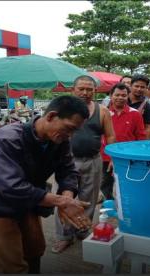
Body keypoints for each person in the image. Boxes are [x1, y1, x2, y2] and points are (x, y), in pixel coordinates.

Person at [0, 95, 93, 274]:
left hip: (29, 201)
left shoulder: (60, 139)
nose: (70, 135)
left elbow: (68, 171)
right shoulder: (8, 139)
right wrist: (61, 202)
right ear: (51, 116)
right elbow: (12, 187)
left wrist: (66, 198)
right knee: (12, 265)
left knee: (34, 251)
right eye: (69, 128)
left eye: (75, 131)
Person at [52, 75, 116, 253]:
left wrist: (111, 158)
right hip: (66, 162)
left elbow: (110, 135)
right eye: (81, 89)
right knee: (65, 199)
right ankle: (64, 236)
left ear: (95, 91)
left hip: (92, 161)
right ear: (73, 90)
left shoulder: (102, 110)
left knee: (88, 199)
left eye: (90, 89)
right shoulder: (61, 108)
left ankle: (82, 229)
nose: (86, 92)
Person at [100, 83, 146, 200]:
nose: (120, 98)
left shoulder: (135, 114)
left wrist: (139, 155)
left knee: (126, 185)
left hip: (127, 158)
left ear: (128, 96)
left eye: (124, 95)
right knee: (105, 185)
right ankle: (108, 210)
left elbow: (140, 136)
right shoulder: (103, 113)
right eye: (117, 95)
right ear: (111, 96)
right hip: (105, 157)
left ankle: (125, 210)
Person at [128, 74, 150, 139]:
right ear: (131, 86)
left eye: (142, 87)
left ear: (146, 88)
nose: (139, 89)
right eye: (136, 86)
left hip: (135, 141)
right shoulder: (120, 101)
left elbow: (148, 127)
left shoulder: (147, 107)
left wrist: (145, 144)